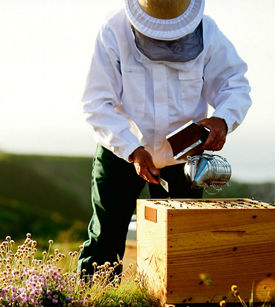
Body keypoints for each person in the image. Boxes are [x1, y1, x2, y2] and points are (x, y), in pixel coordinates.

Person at [78, 0, 251, 276]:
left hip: (184, 157)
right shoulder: (114, 30)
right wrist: (133, 150)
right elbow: (96, 102)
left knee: (185, 243)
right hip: (122, 150)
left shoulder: (208, 31)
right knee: (105, 242)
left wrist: (224, 119)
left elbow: (234, 82)